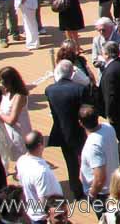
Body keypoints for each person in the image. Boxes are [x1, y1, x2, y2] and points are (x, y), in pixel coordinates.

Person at [45, 60, 89, 199]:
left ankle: (76, 190)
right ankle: (87, 186)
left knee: (70, 163)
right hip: (78, 131)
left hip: (62, 132)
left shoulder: (50, 90)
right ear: (72, 73)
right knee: (85, 161)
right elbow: (85, 111)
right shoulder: (79, 89)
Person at [79, 104, 120, 219]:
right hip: (113, 187)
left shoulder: (93, 145)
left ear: (80, 123)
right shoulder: (108, 127)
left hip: (102, 195)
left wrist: (92, 194)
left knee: (106, 220)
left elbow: (99, 177)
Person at [17, 130, 63, 224]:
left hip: (33, 212)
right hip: (43, 217)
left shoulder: (21, 161)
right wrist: (50, 219)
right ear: (40, 145)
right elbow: (44, 200)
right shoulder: (41, 172)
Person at [0, 66, 31, 169]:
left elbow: (12, 120)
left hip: (19, 134)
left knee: (23, 163)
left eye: (3, 81)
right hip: (8, 133)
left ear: (11, 81)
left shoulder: (19, 96)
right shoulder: (7, 92)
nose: (2, 84)